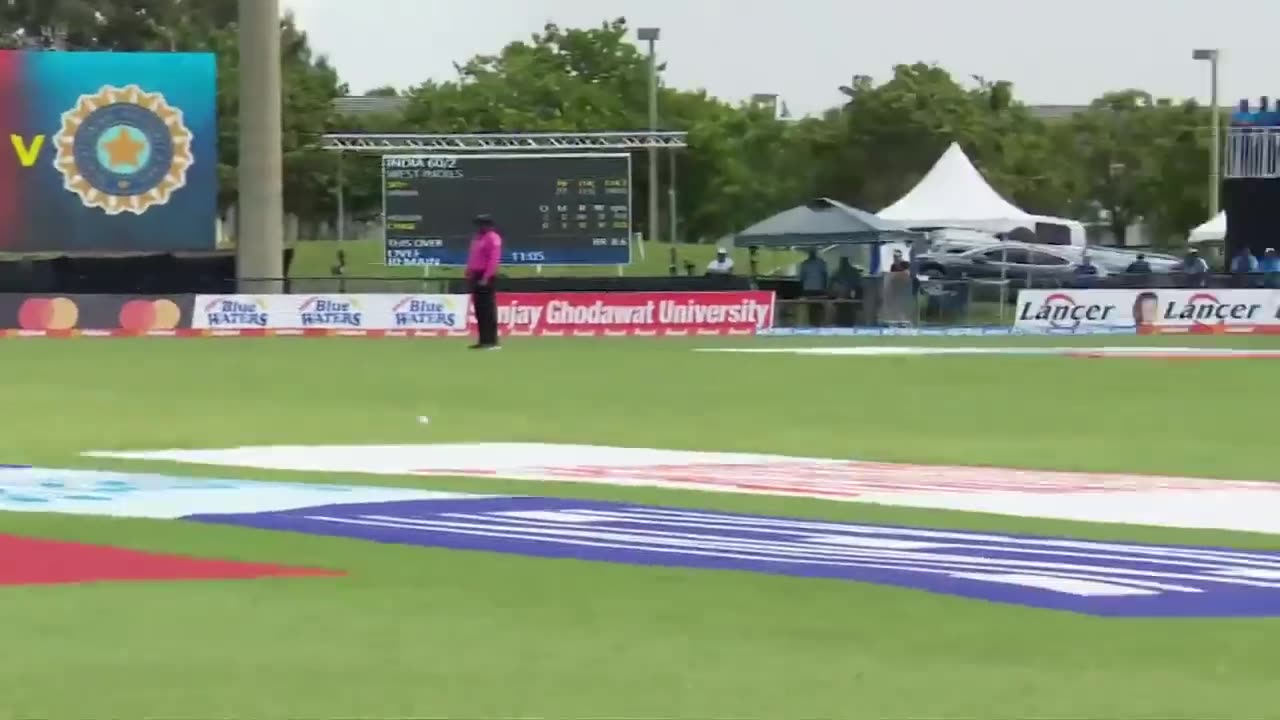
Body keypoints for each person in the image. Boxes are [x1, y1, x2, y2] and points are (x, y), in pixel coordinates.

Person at [466, 214, 502, 349]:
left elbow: (493, 260)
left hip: (485, 275)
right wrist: (469, 270)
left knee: (488, 309)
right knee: (479, 310)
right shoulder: (477, 238)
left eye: (481, 224)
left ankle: (491, 341)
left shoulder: (493, 238)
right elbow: (473, 256)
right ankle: (483, 340)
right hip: (476, 275)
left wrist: (486, 277)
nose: (479, 227)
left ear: (488, 225)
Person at [797, 248, 829, 326]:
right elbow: (825, 276)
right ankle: (816, 323)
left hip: (811, 289)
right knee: (815, 307)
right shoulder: (821, 263)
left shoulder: (805, 264)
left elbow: (801, 278)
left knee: (813, 307)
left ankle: (815, 322)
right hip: (815, 289)